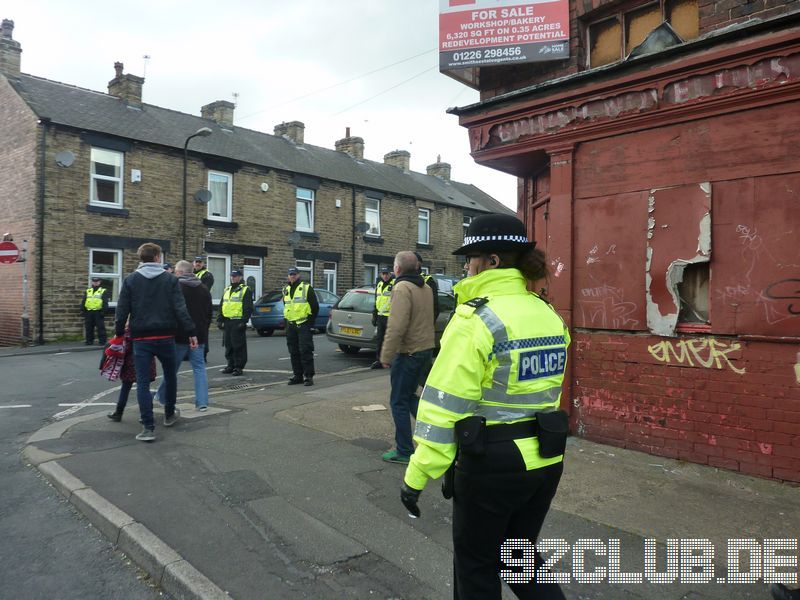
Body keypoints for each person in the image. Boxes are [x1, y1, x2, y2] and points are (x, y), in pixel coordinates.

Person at [400, 213, 571, 599]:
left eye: (471, 257)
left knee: (476, 569)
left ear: (491, 261)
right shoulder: (547, 313)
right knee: (519, 560)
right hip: (545, 458)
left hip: (491, 465)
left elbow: (443, 409)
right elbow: (548, 392)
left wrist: (416, 477)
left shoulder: (475, 319)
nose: (467, 265)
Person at [114, 243, 198, 442]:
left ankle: (148, 427)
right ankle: (169, 415)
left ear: (141, 258)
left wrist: (119, 333)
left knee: (142, 383)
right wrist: (191, 332)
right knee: (170, 376)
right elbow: (180, 308)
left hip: (141, 339)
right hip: (165, 336)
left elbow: (121, 309)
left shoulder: (131, 280)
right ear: (158, 257)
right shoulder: (170, 280)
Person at [379, 251, 435, 464]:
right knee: (410, 396)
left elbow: (396, 326)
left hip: (408, 353)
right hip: (425, 350)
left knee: (398, 401)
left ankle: (404, 450)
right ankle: (435, 436)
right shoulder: (426, 287)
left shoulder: (402, 288)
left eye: (394, 265)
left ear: (398, 269)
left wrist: (386, 355)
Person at [155, 260, 212, 410]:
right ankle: (202, 403)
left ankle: (161, 396)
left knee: (171, 368)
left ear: (180, 272)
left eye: (175, 271)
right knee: (199, 369)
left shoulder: (176, 287)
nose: (173, 273)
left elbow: (170, 311)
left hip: (179, 334)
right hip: (199, 335)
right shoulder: (204, 289)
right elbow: (208, 314)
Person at [107, 327, 156, 421]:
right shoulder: (150, 329)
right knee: (144, 389)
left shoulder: (127, 333)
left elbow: (122, 348)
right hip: (147, 362)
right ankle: (147, 414)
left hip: (130, 363)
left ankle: (119, 412)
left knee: (125, 388)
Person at [283, 267, 319, 386]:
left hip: (303, 324)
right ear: (288, 276)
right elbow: (287, 306)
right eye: (290, 274)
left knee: (305, 350)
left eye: (294, 274)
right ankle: (297, 375)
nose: (292, 276)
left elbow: (314, 307)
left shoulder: (306, 288)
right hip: (291, 325)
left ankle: (308, 376)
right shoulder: (286, 289)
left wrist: (310, 323)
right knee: (293, 351)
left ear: (298, 275)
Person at [217, 269, 253, 376]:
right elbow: (222, 305)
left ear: (240, 277)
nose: (233, 278)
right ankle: (230, 365)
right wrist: (220, 319)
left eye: (235, 276)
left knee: (238, 345)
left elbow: (248, 307)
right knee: (228, 344)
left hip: (238, 321)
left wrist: (244, 321)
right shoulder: (227, 289)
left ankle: (238, 367)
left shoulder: (245, 289)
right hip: (228, 321)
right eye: (232, 276)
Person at [371, 266, 394, 369]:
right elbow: (376, 301)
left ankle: (390, 360)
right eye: (383, 274)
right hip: (381, 317)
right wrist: (374, 315)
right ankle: (379, 360)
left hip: (391, 316)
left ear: (390, 274)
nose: (385, 276)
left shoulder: (395, 284)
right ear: (381, 274)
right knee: (380, 339)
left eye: (387, 274)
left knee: (390, 340)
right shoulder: (379, 284)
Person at [80, 277, 109, 345]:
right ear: (92, 282)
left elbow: (105, 302)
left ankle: (102, 341)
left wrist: (103, 311)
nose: (95, 282)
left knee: (100, 327)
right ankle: (89, 341)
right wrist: (82, 309)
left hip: (98, 312)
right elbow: (84, 301)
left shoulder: (103, 291)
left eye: (97, 281)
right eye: (94, 281)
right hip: (89, 311)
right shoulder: (88, 290)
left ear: (100, 282)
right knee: (89, 327)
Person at [414, 252, 440, 322]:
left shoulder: (428, 280)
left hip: (422, 322)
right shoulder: (403, 279)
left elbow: (435, 305)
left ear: (419, 264)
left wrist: (430, 323)